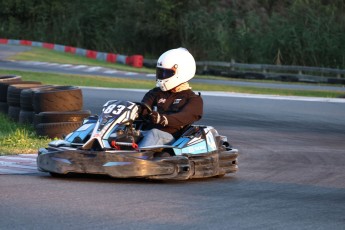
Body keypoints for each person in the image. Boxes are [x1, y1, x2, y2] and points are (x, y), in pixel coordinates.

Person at [139, 47, 203, 148]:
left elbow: (184, 116)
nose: (162, 76)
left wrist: (163, 119)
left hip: (171, 139)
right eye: (161, 72)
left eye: (166, 73)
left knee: (154, 133)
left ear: (181, 73)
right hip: (146, 133)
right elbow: (143, 108)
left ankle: (136, 159)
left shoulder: (193, 99)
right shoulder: (156, 93)